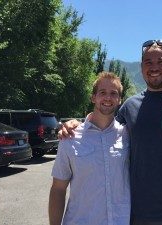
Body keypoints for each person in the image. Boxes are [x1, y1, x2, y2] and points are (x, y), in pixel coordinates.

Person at [60, 40, 162, 225]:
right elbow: (104, 129)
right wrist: (78, 124)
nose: (154, 67)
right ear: (141, 68)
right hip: (136, 216)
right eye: (148, 62)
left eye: (160, 61)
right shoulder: (130, 107)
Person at [49, 72, 131, 225]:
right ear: (93, 97)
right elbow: (58, 189)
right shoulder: (70, 138)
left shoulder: (128, 136)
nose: (108, 98)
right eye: (102, 93)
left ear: (120, 100)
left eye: (113, 93)